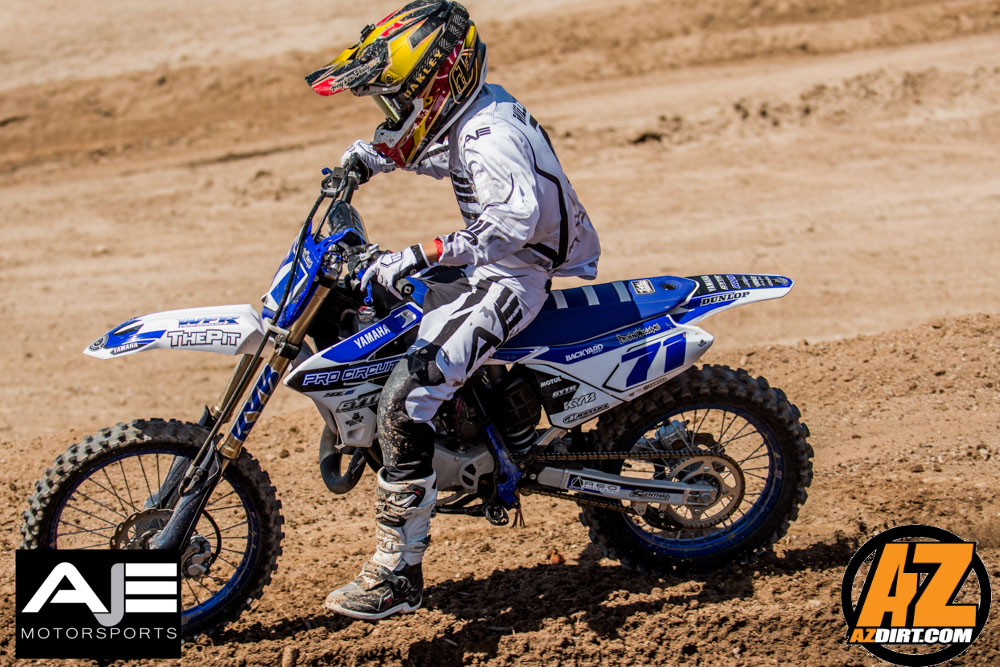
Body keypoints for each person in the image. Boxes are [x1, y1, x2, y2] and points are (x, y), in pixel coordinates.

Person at [305, 0, 600, 620]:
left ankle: (398, 574)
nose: (394, 113)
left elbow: (513, 224)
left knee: (406, 398)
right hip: (489, 265)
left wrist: (421, 252)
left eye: (397, 101)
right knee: (377, 304)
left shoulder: (489, 138)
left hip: (512, 277)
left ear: (437, 84)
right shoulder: (472, 111)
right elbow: (436, 148)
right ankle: (460, 424)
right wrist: (369, 157)